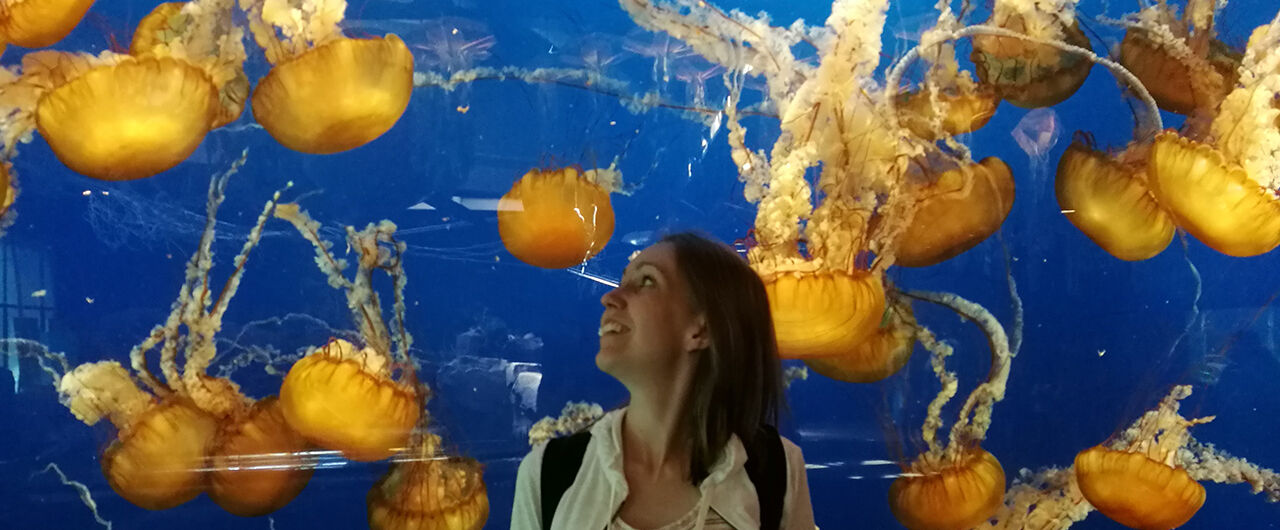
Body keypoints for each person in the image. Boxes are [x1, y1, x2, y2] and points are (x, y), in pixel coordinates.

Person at [512, 232, 817, 529]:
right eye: (622, 282)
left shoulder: (776, 471)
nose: (609, 297)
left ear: (701, 330)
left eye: (646, 281)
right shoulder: (549, 473)